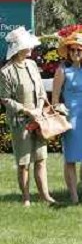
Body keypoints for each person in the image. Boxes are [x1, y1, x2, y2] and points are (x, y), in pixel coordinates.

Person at [0, 27, 56, 206]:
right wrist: (27, 111)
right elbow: (5, 99)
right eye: (27, 46)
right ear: (18, 48)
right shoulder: (6, 72)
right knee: (24, 163)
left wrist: (39, 108)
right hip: (20, 122)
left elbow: (40, 90)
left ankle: (45, 195)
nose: (31, 48)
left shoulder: (32, 65)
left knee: (41, 159)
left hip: (38, 119)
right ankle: (26, 198)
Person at [52, 32, 82, 204]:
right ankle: (74, 196)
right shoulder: (62, 70)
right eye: (73, 49)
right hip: (70, 118)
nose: (76, 52)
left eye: (79, 49)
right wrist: (61, 113)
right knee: (70, 157)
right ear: (68, 51)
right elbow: (55, 100)